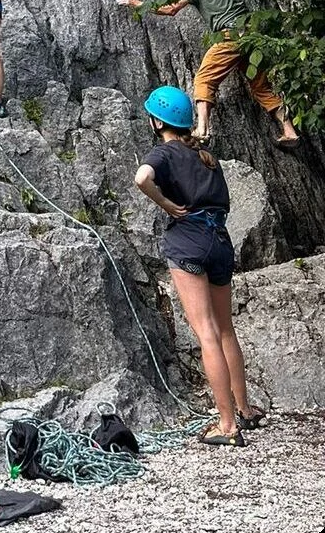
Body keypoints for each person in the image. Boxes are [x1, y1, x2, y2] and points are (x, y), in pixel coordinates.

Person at [134, 85, 266, 447]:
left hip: (188, 242)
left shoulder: (163, 153)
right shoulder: (206, 156)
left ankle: (227, 425)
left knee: (206, 332)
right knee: (225, 331)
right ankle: (245, 409)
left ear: (157, 120)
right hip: (219, 242)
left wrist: (165, 204)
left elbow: (141, 178)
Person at [118, 0, 298, 146]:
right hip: (251, 35)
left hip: (230, 36)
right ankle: (289, 131)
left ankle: (202, 130)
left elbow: (170, 9)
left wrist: (134, 2)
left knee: (204, 79)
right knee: (261, 87)